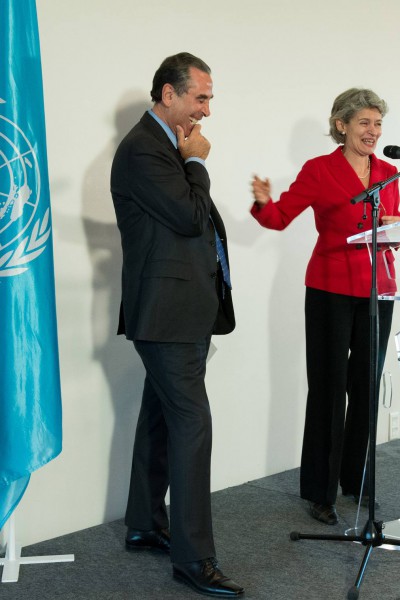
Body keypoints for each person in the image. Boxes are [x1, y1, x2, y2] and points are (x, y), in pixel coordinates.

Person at [110, 52, 244, 597]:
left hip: (179, 310)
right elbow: (190, 217)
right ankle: (194, 559)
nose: (207, 111)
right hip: (165, 315)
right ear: (169, 93)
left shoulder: (162, 145)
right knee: (193, 427)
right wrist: (198, 162)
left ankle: (144, 523)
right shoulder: (146, 149)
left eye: (209, 98)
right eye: (200, 97)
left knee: (162, 418)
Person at [250, 88, 400, 526]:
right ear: (341, 124)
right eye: (364, 123)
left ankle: (356, 479)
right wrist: (263, 202)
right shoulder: (319, 170)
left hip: (377, 290)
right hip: (330, 288)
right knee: (330, 388)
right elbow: (279, 218)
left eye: (377, 124)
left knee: (366, 387)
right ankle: (321, 489)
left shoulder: (390, 173)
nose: (372, 132)